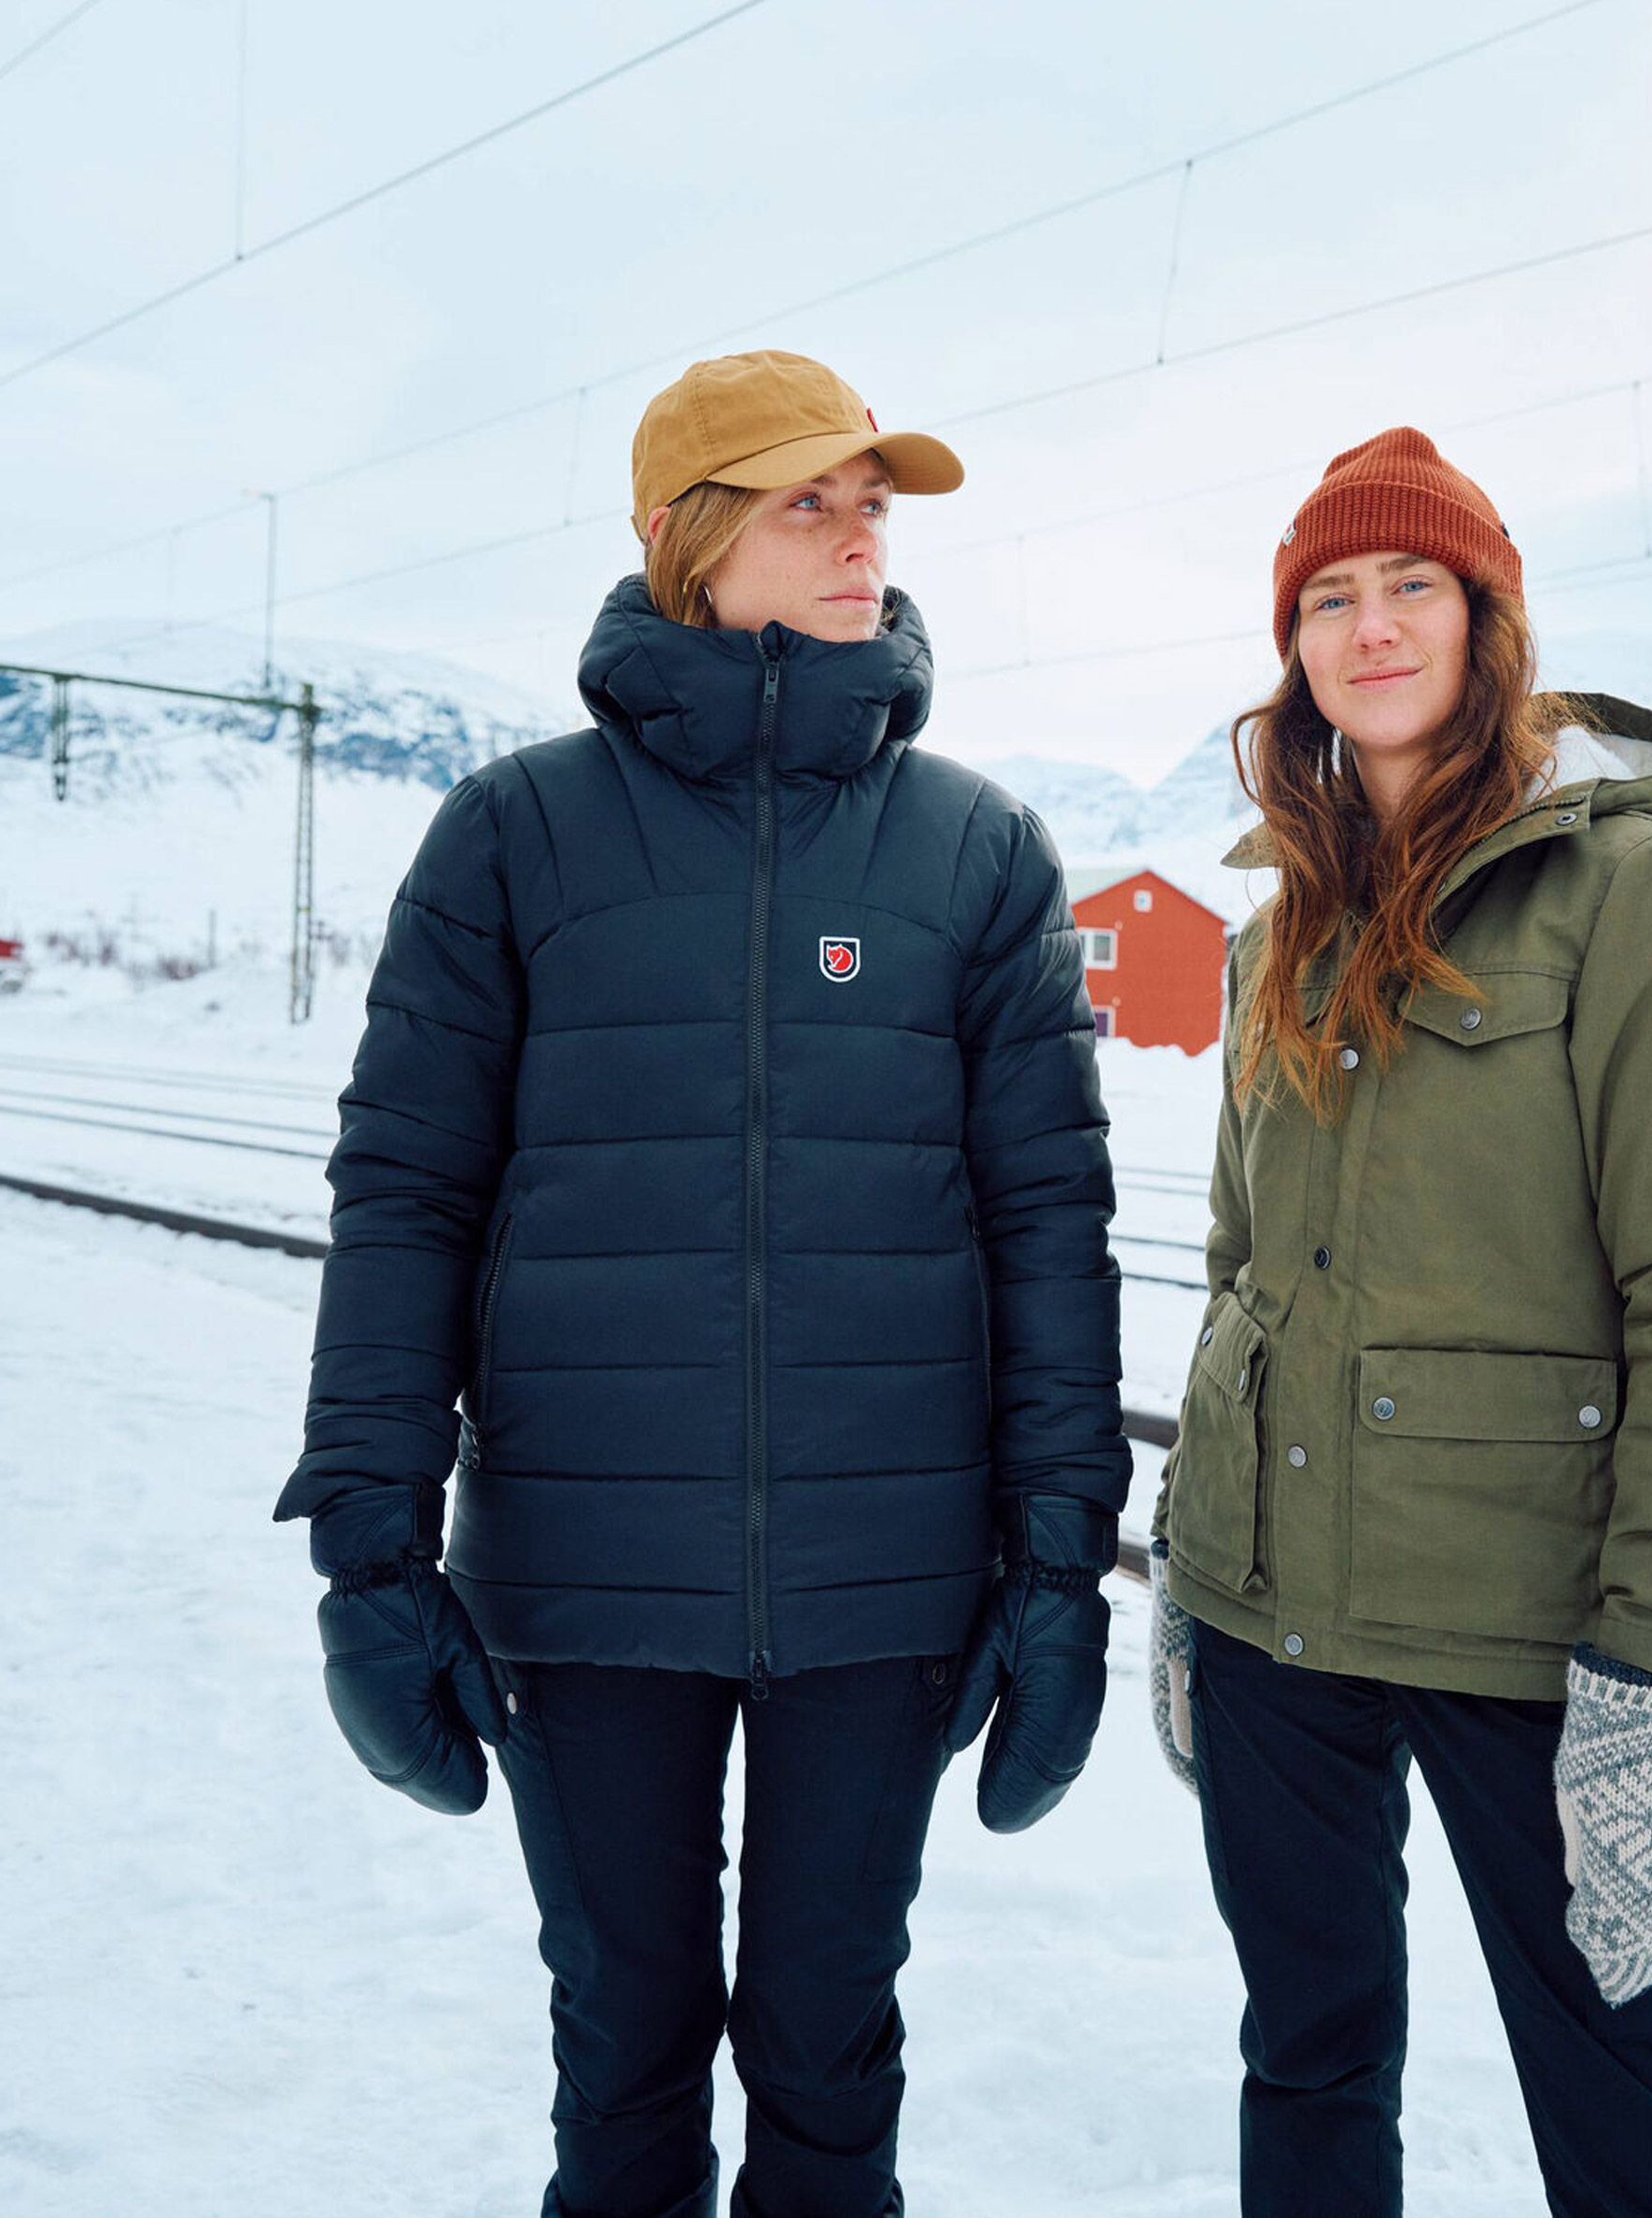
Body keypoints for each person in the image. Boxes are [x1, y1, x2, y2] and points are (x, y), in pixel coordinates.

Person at [275, 347, 1128, 2218]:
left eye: (874, 500)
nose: (861, 536)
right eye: (808, 499)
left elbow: (1050, 1224)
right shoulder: (514, 838)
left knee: (832, 2049)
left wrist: (1063, 1565)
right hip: (583, 1583)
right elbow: (406, 1194)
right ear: (686, 538)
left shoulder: (975, 853)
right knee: (625, 2042)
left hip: (882, 1586)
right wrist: (366, 1547)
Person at [1146, 426, 1652, 2215]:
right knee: (1308, 2060)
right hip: (1271, 1619)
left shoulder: (1634, 888)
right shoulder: (1277, 921)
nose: (1370, 632)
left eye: (1411, 588)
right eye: (1329, 600)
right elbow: (1239, 1265)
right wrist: (1192, 1562)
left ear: (1487, 614)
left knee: (1622, 2114)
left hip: (1536, 1638)